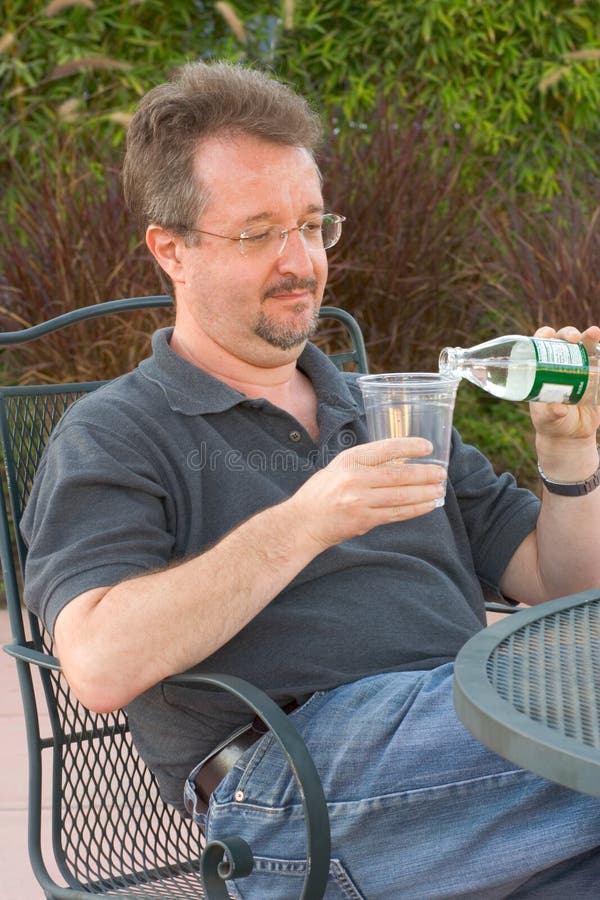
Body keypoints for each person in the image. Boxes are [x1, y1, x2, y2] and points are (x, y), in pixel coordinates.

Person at [21, 60, 600, 898]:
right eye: (258, 233)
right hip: (294, 790)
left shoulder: (383, 408)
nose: (301, 262)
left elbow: (562, 583)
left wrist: (570, 454)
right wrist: (306, 521)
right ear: (171, 249)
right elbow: (99, 663)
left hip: (473, 735)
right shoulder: (119, 433)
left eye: (312, 224)